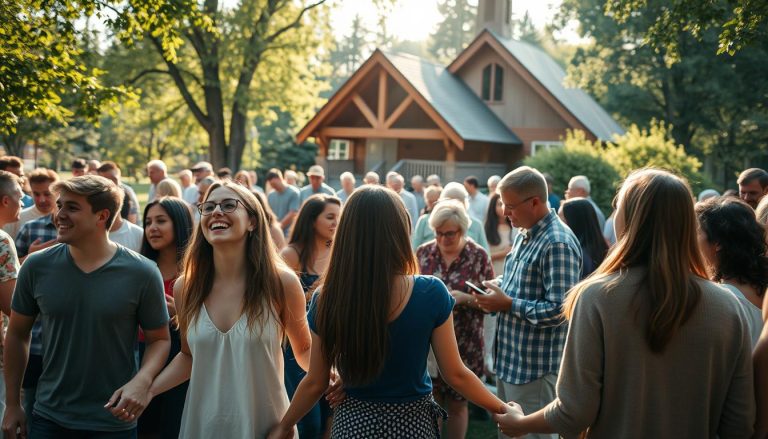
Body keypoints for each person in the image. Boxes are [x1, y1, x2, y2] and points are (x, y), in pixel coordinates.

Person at [493, 168, 755, 438]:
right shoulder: (729, 306)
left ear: (629, 219)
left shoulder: (596, 297)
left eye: (617, 206)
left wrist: (521, 423)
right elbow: (740, 422)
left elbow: (575, 411)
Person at [267, 186, 506, 439]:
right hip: (412, 427)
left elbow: (315, 382)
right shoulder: (430, 292)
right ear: (401, 231)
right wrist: (502, 408)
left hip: (353, 426)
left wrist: (285, 426)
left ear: (346, 233)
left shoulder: (326, 297)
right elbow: (455, 374)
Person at [2, 175, 171, 438]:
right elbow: (17, 333)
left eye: (72, 207)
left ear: (102, 216)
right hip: (49, 417)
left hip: (114, 420)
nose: (59, 215)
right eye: (60, 205)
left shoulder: (143, 272)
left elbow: (159, 339)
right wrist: (13, 404)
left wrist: (142, 381)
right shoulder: (36, 266)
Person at [145, 181, 312, 438]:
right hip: (203, 426)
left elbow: (304, 350)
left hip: (267, 427)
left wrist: (332, 376)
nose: (216, 212)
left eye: (228, 205)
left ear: (252, 221)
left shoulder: (281, 283)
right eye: (208, 207)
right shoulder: (185, 287)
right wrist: (148, 390)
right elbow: (189, 356)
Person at [474, 166, 581, 439]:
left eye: (510, 206)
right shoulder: (525, 232)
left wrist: (508, 304)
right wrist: (495, 287)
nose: (504, 212)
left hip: (535, 371)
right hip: (511, 363)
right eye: (502, 204)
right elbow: (521, 284)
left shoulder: (557, 242)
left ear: (534, 202)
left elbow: (560, 310)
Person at [416, 200, 494, 439]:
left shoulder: (478, 255)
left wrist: (465, 299)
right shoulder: (423, 253)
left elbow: (492, 303)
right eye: (438, 232)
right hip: (429, 343)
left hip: (465, 341)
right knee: (432, 403)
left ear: (462, 230)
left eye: (449, 233)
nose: (442, 239)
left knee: (458, 405)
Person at [280, 194, 340, 438]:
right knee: (307, 422)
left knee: (330, 415)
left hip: (331, 340)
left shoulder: (338, 253)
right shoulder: (291, 255)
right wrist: (311, 295)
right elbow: (279, 303)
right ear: (312, 220)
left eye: (339, 217)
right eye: (330, 217)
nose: (336, 223)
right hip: (298, 345)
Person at [138, 197, 194, 439]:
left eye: (161, 221)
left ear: (179, 224)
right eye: (148, 222)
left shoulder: (197, 272)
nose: (152, 228)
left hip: (183, 361)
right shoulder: (139, 268)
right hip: (141, 356)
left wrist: (179, 314)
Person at [696, 197, 765, 346]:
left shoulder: (719, 299)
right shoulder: (761, 286)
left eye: (697, 232)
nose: (692, 240)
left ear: (718, 243)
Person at [482, 192, 515, 377]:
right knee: (490, 322)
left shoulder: (514, 227)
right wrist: (503, 253)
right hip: (494, 274)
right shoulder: (487, 228)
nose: (502, 208)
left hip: (508, 277)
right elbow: (484, 255)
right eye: (498, 204)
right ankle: (488, 361)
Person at [0, 171, 24, 420]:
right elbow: (11, 306)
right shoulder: (2, 241)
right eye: (20, 196)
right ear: (6, 200)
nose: (23, 200)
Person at [412, 183, 489, 252]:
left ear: (465, 204)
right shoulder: (425, 221)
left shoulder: (476, 225)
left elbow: (486, 253)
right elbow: (414, 249)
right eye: (438, 233)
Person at [559, 197, 609, 279]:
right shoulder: (605, 250)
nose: (558, 224)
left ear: (574, 222)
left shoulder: (576, 256)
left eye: (561, 219)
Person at [3, 168, 58, 239]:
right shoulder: (15, 218)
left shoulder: (63, 218)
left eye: (47, 194)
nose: (42, 200)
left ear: (57, 192)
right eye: (36, 194)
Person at [266, 169, 301, 236]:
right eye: (271, 185)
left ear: (280, 178)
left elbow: (293, 213)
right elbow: (269, 212)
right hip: (274, 232)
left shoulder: (294, 193)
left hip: (289, 233)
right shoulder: (271, 195)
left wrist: (279, 226)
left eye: (274, 184)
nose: (273, 187)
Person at [412, 185, 443, 250]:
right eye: (430, 201)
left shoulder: (446, 218)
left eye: (435, 201)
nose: (433, 204)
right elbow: (416, 243)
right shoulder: (423, 219)